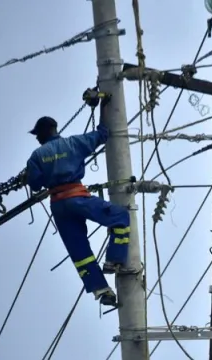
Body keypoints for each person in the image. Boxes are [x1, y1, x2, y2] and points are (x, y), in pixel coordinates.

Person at [23, 111, 132, 307]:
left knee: (79, 251)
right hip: (76, 197)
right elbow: (101, 134)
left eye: (38, 134)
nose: (37, 138)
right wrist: (103, 105)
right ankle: (114, 260)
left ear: (45, 132)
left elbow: (35, 184)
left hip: (58, 205)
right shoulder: (74, 144)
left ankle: (101, 290)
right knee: (120, 216)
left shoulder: (37, 156)